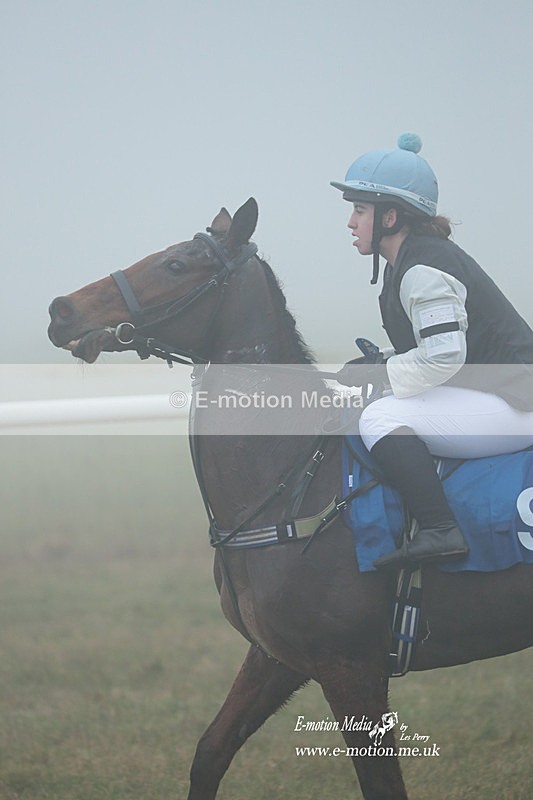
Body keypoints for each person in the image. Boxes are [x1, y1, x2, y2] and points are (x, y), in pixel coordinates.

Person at [331, 133, 533, 569]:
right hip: (501, 391)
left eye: (359, 210)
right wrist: (380, 361)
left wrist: (379, 372)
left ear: (390, 216)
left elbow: (443, 357)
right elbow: (437, 345)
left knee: (380, 416)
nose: (350, 222)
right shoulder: (411, 261)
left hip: (519, 403)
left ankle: (441, 529)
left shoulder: (422, 268)